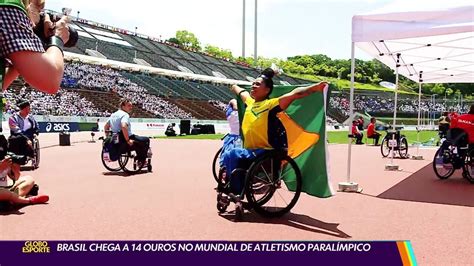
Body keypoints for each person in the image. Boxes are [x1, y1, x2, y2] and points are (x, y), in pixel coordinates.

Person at [222, 68, 328, 194]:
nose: (253, 86)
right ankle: (235, 185)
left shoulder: (270, 105)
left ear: (267, 90)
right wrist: (233, 86)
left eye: (257, 84)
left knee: (233, 153)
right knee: (228, 155)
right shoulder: (250, 103)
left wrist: (315, 88)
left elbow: (295, 94)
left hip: (266, 151)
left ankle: (236, 191)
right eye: (253, 83)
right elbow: (241, 92)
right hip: (250, 150)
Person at [1, 0, 70, 92]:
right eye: (39, 11)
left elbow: (1, 85)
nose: (35, 24)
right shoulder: (10, 6)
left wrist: (28, 46)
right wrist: (57, 37)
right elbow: (50, 82)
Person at [0, 135, 48, 208]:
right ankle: (28, 200)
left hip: (4, 187)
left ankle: (13, 200)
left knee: (29, 179)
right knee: (5, 193)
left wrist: (15, 168)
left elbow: (16, 178)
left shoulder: (6, 160)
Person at [104, 99, 150, 167]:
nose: (131, 107)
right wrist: (128, 140)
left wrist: (109, 138)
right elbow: (123, 126)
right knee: (146, 140)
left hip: (116, 139)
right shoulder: (125, 115)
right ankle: (141, 161)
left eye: (131, 106)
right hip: (125, 139)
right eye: (129, 106)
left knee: (138, 140)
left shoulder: (113, 114)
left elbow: (106, 127)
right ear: (122, 106)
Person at [219, 99, 241, 166]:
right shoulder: (234, 102)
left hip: (233, 137)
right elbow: (235, 107)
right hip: (238, 138)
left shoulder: (233, 103)